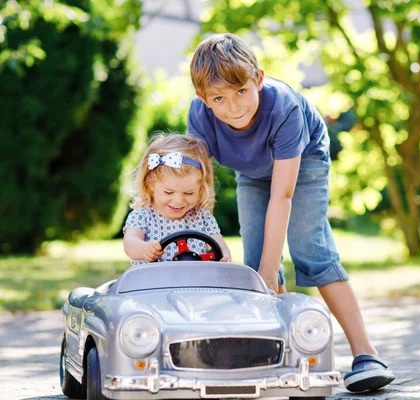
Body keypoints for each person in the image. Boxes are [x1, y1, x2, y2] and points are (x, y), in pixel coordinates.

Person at [186, 33, 395, 393]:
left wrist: (273, 267)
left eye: (241, 92)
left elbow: (283, 196)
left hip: (304, 162)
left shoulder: (283, 109)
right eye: (219, 98)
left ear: (259, 79)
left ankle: (366, 354)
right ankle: (277, 357)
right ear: (203, 100)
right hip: (252, 174)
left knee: (308, 249)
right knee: (255, 265)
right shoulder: (200, 119)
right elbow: (194, 189)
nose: (234, 107)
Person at [123, 133, 231, 265]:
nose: (178, 201)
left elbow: (218, 244)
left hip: (194, 283)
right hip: (152, 283)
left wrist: (224, 255)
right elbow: (130, 244)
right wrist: (144, 249)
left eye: (188, 193)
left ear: (200, 189)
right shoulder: (142, 216)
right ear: (150, 185)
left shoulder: (203, 218)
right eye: (169, 192)